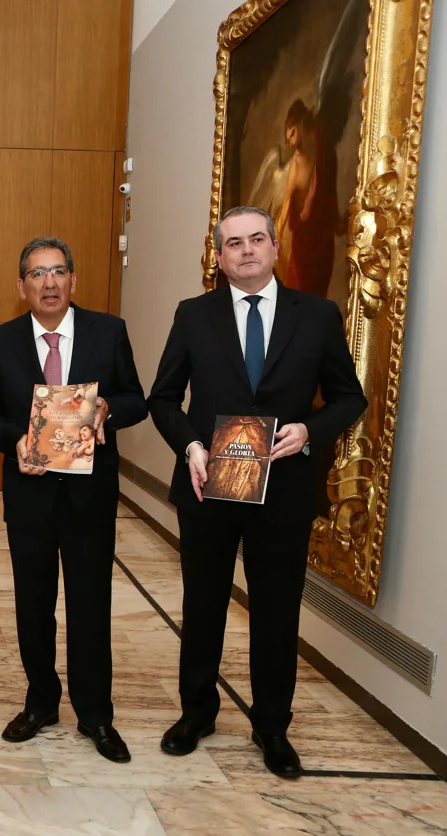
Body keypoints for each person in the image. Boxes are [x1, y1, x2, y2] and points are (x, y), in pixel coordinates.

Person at [148, 206, 366, 778]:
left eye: (256, 240)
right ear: (218, 258)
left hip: (283, 489)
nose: (245, 250)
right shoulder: (194, 315)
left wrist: (309, 431)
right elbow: (163, 398)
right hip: (208, 487)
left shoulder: (316, 316)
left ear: (275, 247)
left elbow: (350, 396)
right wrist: (192, 447)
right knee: (204, 607)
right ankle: (197, 713)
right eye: (233, 243)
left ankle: (272, 727)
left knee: (275, 614)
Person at [0, 236, 147, 763]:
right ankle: (41, 701)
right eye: (37, 273)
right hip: (28, 496)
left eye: (58, 272)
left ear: (73, 280)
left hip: (90, 496)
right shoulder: (0, 340)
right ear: (21, 285)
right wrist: (15, 439)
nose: (48, 283)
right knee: (34, 604)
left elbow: (137, 399)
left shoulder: (108, 331)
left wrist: (107, 411)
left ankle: (95, 714)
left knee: (91, 606)